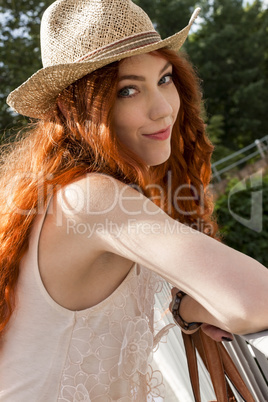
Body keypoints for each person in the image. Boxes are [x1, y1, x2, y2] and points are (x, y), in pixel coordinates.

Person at [0, 0, 267, 400]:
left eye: (163, 78)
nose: (162, 109)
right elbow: (256, 300)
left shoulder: (71, 192)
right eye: (128, 90)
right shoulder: (91, 198)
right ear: (73, 109)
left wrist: (184, 308)